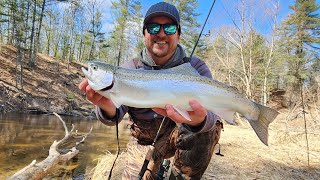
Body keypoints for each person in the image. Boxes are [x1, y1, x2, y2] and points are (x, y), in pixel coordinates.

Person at [79, 2, 222, 179]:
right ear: (145, 34)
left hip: (186, 136)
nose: (161, 33)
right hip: (145, 140)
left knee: (208, 129)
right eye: (153, 27)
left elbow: (214, 115)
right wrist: (107, 108)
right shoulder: (129, 69)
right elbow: (112, 116)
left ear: (178, 34)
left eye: (169, 28)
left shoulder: (195, 67)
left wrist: (199, 121)